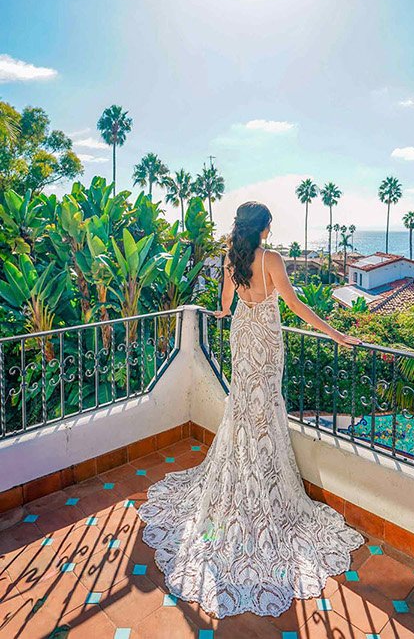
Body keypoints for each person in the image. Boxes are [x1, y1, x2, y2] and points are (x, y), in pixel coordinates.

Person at [138, 201, 366, 618]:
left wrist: (222, 311)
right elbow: (295, 306)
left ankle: (244, 471)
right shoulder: (271, 259)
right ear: (264, 227)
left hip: (243, 332)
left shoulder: (233, 258)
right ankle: (264, 478)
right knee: (265, 408)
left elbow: (226, 302)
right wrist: (335, 334)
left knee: (243, 407)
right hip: (266, 337)